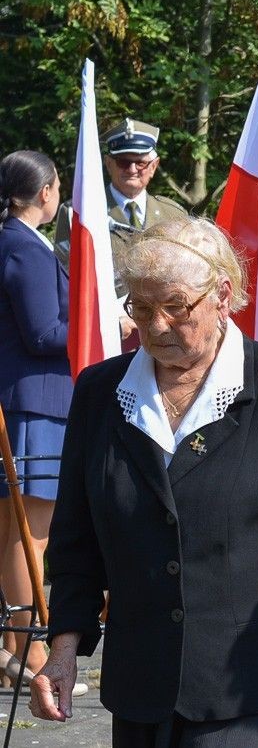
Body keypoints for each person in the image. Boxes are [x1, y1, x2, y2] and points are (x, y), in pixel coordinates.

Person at [30, 218, 258, 746]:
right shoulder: (101, 392)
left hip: (251, 679)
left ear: (221, 295)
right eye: (141, 308)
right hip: (142, 681)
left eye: (175, 306)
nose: (156, 326)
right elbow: (76, 542)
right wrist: (62, 652)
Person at [0, 150, 83, 690]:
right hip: (36, 400)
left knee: (15, 530)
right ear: (47, 191)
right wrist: (104, 323)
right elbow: (42, 333)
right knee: (32, 534)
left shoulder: (15, 240)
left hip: (26, 398)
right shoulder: (25, 248)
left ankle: (13, 650)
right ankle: (28, 655)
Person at [53, 118, 190, 345]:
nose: (133, 170)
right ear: (108, 164)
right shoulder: (81, 213)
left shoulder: (173, 214)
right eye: (124, 162)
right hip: (106, 334)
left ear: (154, 166)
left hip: (164, 333)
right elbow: (65, 277)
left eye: (141, 163)